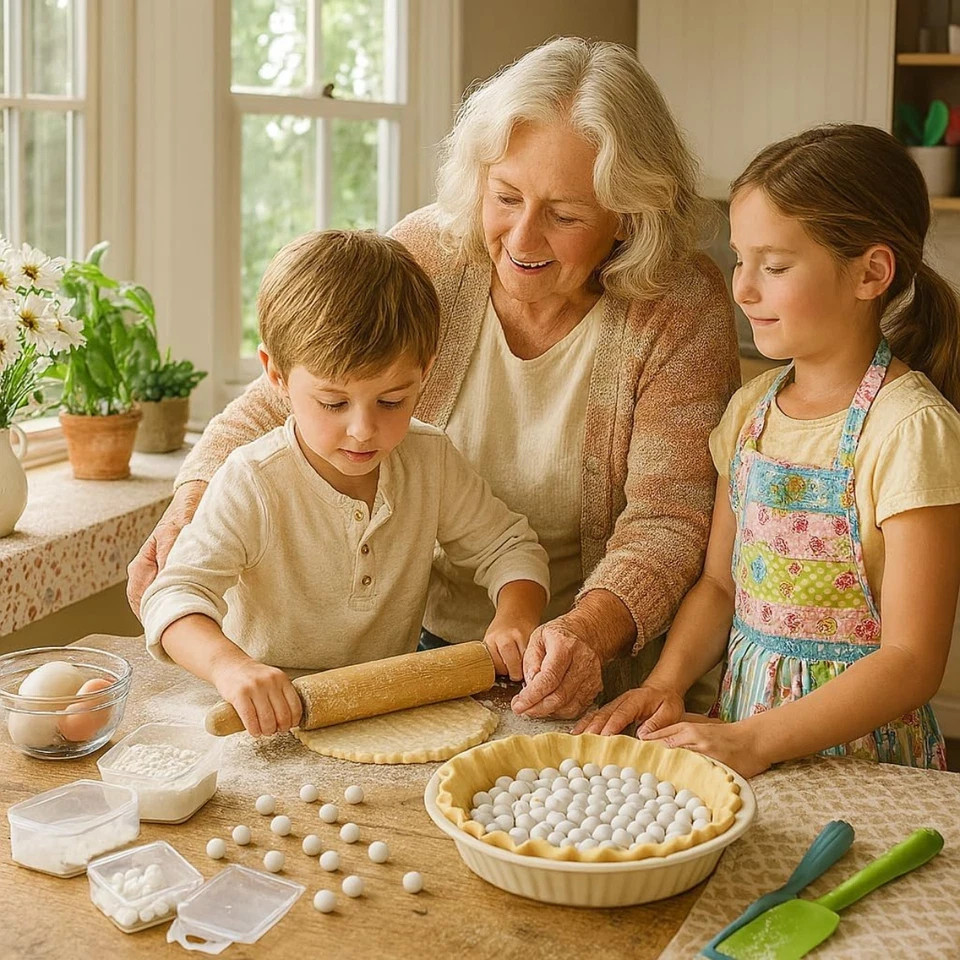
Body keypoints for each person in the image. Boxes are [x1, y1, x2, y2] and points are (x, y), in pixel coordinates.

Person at [128, 37, 740, 720]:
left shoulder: (678, 305)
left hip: (600, 667)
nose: (522, 239)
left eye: (565, 215)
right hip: (427, 650)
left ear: (627, 217)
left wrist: (580, 632)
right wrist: (194, 499)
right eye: (505, 196)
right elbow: (287, 391)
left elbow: (668, 523)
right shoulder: (431, 254)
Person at [576, 124, 960, 775]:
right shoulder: (750, 413)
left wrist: (757, 741)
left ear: (871, 272)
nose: (743, 288)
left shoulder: (910, 430)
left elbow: (911, 663)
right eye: (740, 259)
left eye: (774, 266)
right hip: (742, 738)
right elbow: (719, 585)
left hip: (862, 765)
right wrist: (666, 682)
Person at [139, 231, 550, 737]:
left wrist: (515, 615)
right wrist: (230, 666)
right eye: (333, 403)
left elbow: (510, 547)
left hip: (382, 716)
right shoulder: (253, 482)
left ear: (426, 371)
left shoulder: (430, 461)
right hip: (266, 724)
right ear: (277, 375)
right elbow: (173, 597)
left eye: (392, 401)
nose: (363, 429)